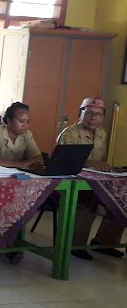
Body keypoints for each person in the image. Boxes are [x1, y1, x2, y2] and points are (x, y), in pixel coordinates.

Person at [58, 97, 124, 260]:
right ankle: (75, 244)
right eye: (88, 113)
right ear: (80, 114)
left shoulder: (102, 133)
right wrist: (92, 163)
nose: (93, 118)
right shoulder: (69, 134)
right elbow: (63, 162)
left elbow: (100, 161)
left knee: (122, 199)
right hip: (71, 182)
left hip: (96, 181)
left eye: (98, 114)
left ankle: (104, 242)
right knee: (87, 201)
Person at [0, 101, 43, 264]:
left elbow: (38, 159)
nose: (25, 125)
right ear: (8, 120)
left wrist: (27, 163)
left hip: (16, 182)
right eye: (21, 121)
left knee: (24, 200)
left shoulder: (27, 136)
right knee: (0, 202)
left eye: (27, 121)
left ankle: (9, 238)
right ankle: (7, 243)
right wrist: (21, 164)